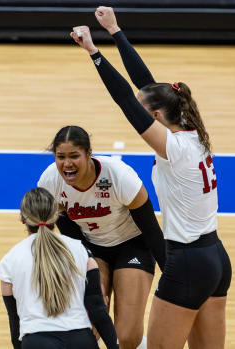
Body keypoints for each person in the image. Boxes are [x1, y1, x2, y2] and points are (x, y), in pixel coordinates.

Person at [71, 7, 232, 348]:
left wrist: (94, 53)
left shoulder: (173, 147)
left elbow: (126, 98)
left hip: (188, 261)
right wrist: (115, 31)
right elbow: (145, 86)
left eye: (148, 114)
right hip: (215, 257)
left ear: (157, 116)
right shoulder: (192, 132)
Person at [37, 125, 164, 349]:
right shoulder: (50, 182)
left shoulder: (119, 176)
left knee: (126, 337)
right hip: (92, 249)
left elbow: (151, 230)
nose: (67, 164)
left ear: (89, 154)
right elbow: (67, 232)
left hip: (133, 246)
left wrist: (172, 274)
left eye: (74, 156)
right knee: (89, 326)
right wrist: (84, 266)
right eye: (61, 157)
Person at [0, 187, 119, 349]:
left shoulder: (9, 260)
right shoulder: (80, 250)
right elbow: (98, 309)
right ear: (56, 215)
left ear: (22, 218)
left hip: (36, 342)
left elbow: (14, 320)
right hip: (81, 340)